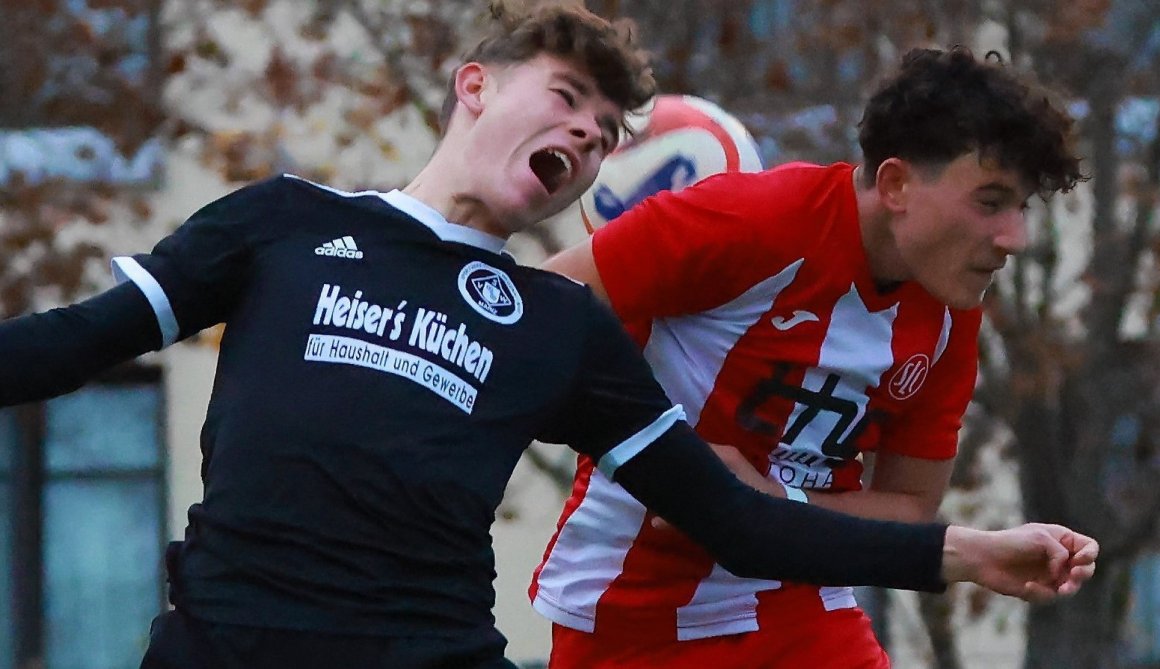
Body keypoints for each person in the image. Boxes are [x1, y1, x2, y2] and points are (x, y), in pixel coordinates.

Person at [0, 7, 1093, 668]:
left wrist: (965, 552)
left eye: (603, 131)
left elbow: (744, 524)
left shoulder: (550, 323)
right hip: (224, 648)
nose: (581, 132)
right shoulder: (284, 220)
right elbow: (71, 344)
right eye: (564, 97)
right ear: (471, 87)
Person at [532, 46, 1086, 669]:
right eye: (990, 202)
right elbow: (524, 320)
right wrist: (652, 458)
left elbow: (908, 507)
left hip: (800, 604)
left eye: (1022, 207)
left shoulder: (951, 309)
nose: (1016, 237)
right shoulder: (750, 222)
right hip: (633, 610)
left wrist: (761, 502)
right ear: (896, 183)